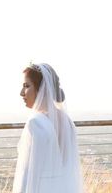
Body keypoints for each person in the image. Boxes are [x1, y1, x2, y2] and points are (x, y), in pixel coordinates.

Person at [12, 63, 83, 193]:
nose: (21, 93)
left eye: (27, 86)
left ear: (42, 89)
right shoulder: (67, 122)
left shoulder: (36, 123)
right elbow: (69, 168)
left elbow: (29, 173)